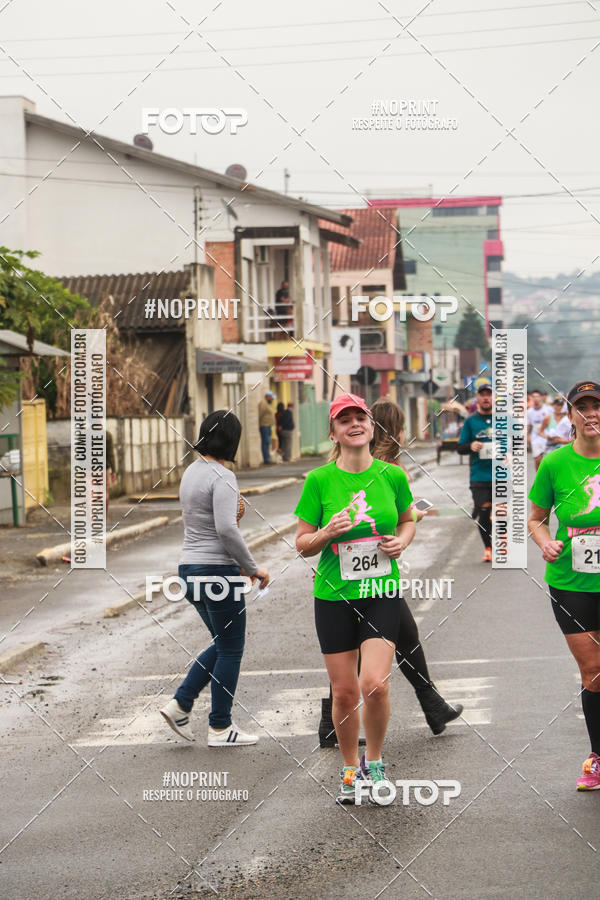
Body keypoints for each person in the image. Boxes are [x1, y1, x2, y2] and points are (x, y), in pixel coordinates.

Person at [318, 399, 463, 745]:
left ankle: (432, 705)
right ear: (392, 429)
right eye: (400, 426)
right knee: (368, 644)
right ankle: (332, 722)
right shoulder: (371, 464)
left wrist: (408, 524)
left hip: (378, 574)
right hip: (355, 577)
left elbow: (401, 514)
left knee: (399, 637)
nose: (403, 432)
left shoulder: (389, 467)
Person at [295, 392, 416, 804]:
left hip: (381, 590)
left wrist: (402, 541)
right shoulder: (319, 481)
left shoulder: (392, 476)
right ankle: (350, 769)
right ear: (334, 432)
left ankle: (376, 762)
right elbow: (302, 544)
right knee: (345, 692)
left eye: (359, 417)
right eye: (344, 420)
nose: (354, 424)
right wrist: (327, 532)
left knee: (375, 685)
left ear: (370, 425)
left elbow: (407, 520)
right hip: (333, 596)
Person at [160, 410, 270, 746]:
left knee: (223, 644)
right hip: (214, 571)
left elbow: (203, 525)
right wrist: (252, 567)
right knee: (232, 648)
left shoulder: (191, 472)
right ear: (232, 440)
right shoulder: (223, 476)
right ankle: (220, 727)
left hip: (189, 569)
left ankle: (181, 704)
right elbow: (225, 529)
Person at [528, 381, 600, 790]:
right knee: (593, 669)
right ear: (569, 416)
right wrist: (546, 542)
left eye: (597, 406)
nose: (590, 414)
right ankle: (598, 756)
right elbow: (536, 518)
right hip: (571, 582)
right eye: (582, 407)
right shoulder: (554, 464)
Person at [457, 380, 494, 562]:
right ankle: (488, 548)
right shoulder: (471, 422)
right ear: (478, 398)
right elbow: (460, 448)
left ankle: (501, 543)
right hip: (479, 476)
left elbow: (517, 443)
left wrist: (509, 453)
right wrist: (471, 445)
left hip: (501, 476)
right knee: (485, 513)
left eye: (489, 394)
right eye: (483, 394)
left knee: (502, 513)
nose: (486, 398)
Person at [527, 389, 552, 470]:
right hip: (535, 438)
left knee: (548, 461)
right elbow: (528, 425)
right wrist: (527, 437)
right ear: (531, 398)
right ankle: (539, 478)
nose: (536, 398)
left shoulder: (548, 409)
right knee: (537, 460)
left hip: (547, 437)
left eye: (537, 396)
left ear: (541, 397)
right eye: (533, 396)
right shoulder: (529, 411)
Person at [258, 391, 277, 464]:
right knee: (265, 442)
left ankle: (267, 457)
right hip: (264, 425)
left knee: (267, 442)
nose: (272, 399)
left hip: (268, 426)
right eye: (271, 397)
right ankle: (266, 458)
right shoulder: (263, 403)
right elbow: (260, 414)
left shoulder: (268, 404)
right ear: (267, 396)